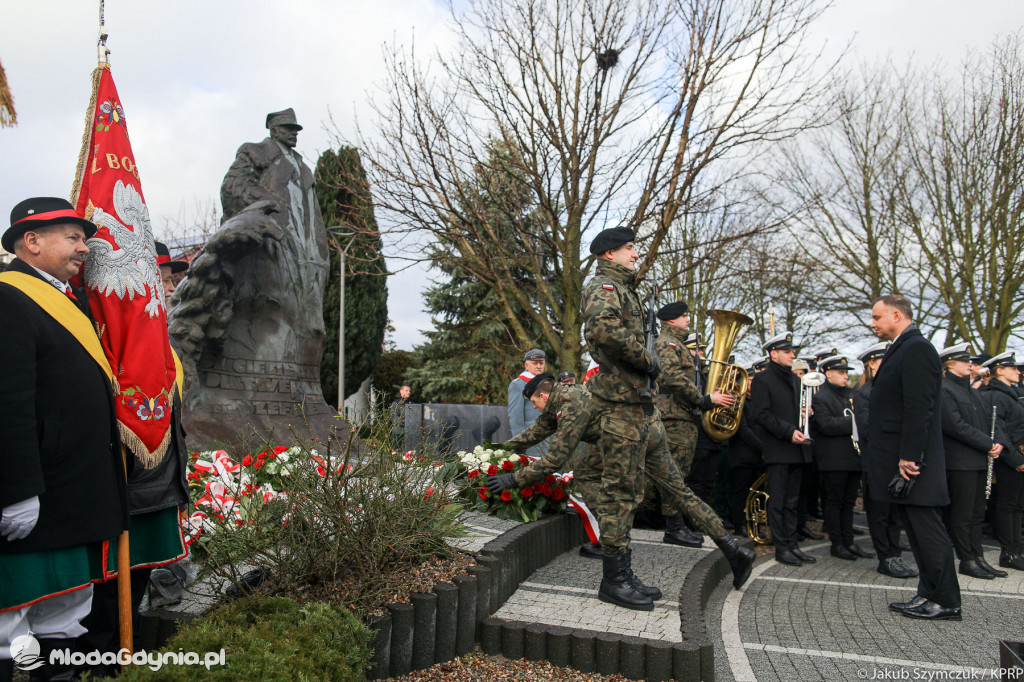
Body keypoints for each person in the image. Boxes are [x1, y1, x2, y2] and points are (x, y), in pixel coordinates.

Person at [579, 227, 752, 610]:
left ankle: (730, 547)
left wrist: (646, 365)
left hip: (640, 408)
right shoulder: (604, 288)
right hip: (622, 408)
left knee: (674, 486)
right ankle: (615, 577)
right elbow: (602, 332)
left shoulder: (625, 290)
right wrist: (649, 360)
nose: (635, 254)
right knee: (622, 494)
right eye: (629, 248)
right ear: (609, 254)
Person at [0, 197, 129, 680]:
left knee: (63, 624)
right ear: (31, 241)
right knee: (11, 627)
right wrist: (16, 488)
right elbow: (8, 400)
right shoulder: (8, 297)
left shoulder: (68, 300)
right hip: (39, 498)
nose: (85, 246)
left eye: (84, 237)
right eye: (73, 237)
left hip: (71, 499)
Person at [490, 372, 755, 590]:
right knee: (680, 493)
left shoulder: (571, 405)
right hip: (651, 429)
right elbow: (537, 430)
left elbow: (555, 459)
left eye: (534, 403)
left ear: (543, 396)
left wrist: (513, 479)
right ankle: (732, 549)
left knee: (613, 493)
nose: (535, 408)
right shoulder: (565, 397)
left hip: (628, 437)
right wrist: (498, 449)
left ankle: (612, 545)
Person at [78, 254, 191, 674]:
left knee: (138, 575)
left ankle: (127, 651)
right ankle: (99, 662)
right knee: (105, 589)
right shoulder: (109, 328)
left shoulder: (154, 334)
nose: (170, 287)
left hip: (155, 482)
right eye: (163, 278)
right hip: (126, 483)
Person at [867, 295, 961, 621]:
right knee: (918, 533)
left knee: (928, 530)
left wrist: (909, 457)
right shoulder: (902, 347)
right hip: (904, 461)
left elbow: (919, 407)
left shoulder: (917, 348)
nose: (873, 323)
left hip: (914, 463)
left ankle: (946, 600)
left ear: (896, 315)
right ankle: (928, 593)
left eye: (877, 317)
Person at [653, 301, 735, 547]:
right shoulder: (666, 343)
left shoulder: (675, 343)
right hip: (674, 418)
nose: (687, 320)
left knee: (679, 475)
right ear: (671, 320)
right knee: (674, 475)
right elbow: (671, 376)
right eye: (683, 316)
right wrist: (705, 399)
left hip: (682, 417)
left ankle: (677, 526)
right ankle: (674, 528)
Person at [748, 332, 816, 566]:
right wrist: (788, 432)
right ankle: (781, 547)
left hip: (798, 449)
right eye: (787, 351)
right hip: (779, 448)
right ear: (773, 353)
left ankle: (792, 543)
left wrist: (806, 414)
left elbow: (794, 410)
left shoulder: (796, 380)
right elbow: (760, 414)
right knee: (778, 500)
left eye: (792, 351)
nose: (792, 354)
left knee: (793, 500)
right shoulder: (763, 380)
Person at [938, 343, 1005, 580]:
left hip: (977, 459)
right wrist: (987, 443)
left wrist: (994, 444)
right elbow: (956, 426)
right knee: (962, 514)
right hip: (959, 461)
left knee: (978, 513)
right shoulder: (944, 389)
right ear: (949, 364)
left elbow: (984, 423)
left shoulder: (971, 390)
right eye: (963, 360)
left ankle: (978, 557)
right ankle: (966, 559)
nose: (970, 363)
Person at [855, 341, 917, 579]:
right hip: (877, 461)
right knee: (880, 512)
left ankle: (895, 553)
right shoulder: (864, 393)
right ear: (871, 364)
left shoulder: (890, 389)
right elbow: (868, 430)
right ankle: (886, 557)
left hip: (895, 459)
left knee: (895, 512)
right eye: (882, 360)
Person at [811, 355, 874, 560]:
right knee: (834, 502)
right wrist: (855, 421)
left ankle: (849, 541)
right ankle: (837, 543)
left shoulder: (849, 395)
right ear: (828, 374)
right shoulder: (821, 397)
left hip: (852, 458)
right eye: (841, 372)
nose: (845, 376)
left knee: (848, 503)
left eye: (846, 372)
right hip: (833, 460)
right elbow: (826, 425)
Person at [981, 352, 1024, 570]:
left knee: (1016, 506)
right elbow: (998, 432)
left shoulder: (1009, 394)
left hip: (1018, 458)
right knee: (1008, 505)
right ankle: (1009, 552)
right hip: (1010, 460)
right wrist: (1016, 459)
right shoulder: (996, 396)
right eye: (1013, 368)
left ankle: (1016, 549)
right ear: (1000, 370)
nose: (1018, 371)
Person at [508, 349, 547, 456]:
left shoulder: (547, 383)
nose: (539, 366)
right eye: (535, 363)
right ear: (526, 365)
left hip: (549, 438)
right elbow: (515, 417)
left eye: (541, 363)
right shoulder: (518, 384)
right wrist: (520, 444)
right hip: (531, 440)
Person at [390, 384, 413, 452]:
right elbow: (394, 417)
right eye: (406, 390)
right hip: (399, 431)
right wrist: (406, 422)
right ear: (401, 391)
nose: (408, 392)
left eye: (409, 391)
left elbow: (415, 416)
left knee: (410, 452)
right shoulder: (396, 403)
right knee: (397, 451)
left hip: (410, 431)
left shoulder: (412, 404)